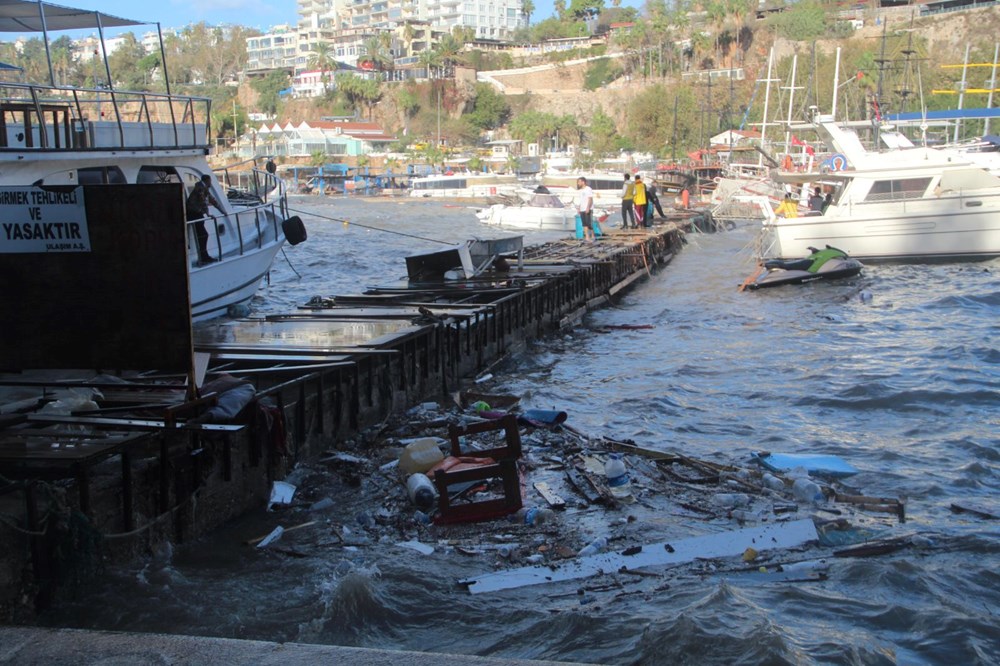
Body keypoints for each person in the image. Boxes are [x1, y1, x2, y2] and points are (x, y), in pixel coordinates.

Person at [187, 174, 223, 264]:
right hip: (193, 213)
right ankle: (203, 257)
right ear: (207, 180)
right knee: (203, 235)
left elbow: (212, 200)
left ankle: (204, 256)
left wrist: (222, 211)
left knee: (202, 235)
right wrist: (208, 213)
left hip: (196, 213)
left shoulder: (204, 187)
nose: (211, 183)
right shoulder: (200, 188)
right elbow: (202, 200)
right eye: (210, 181)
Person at [576, 176, 595, 241]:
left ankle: (592, 235)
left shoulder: (588, 189)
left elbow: (590, 199)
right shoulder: (580, 191)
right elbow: (580, 200)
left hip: (587, 208)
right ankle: (587, 237)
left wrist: (588, 208)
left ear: (583, 182)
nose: (578, 183)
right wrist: (578, 208)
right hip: (582, 208)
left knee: (589, 223)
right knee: (584, 224)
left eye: (579, 182)